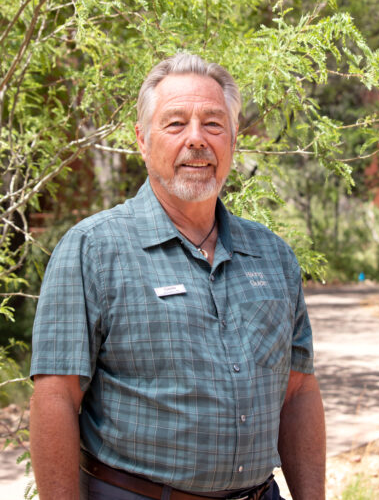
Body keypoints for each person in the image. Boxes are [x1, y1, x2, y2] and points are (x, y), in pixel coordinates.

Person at [30, 53, 326, 500]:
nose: (196, 140)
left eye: (213, 123)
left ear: (233, 137)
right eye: (174, 124)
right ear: (142, 140)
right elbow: (56, 399)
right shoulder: (93, 250)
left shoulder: (273, 255)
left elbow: (299, 390)